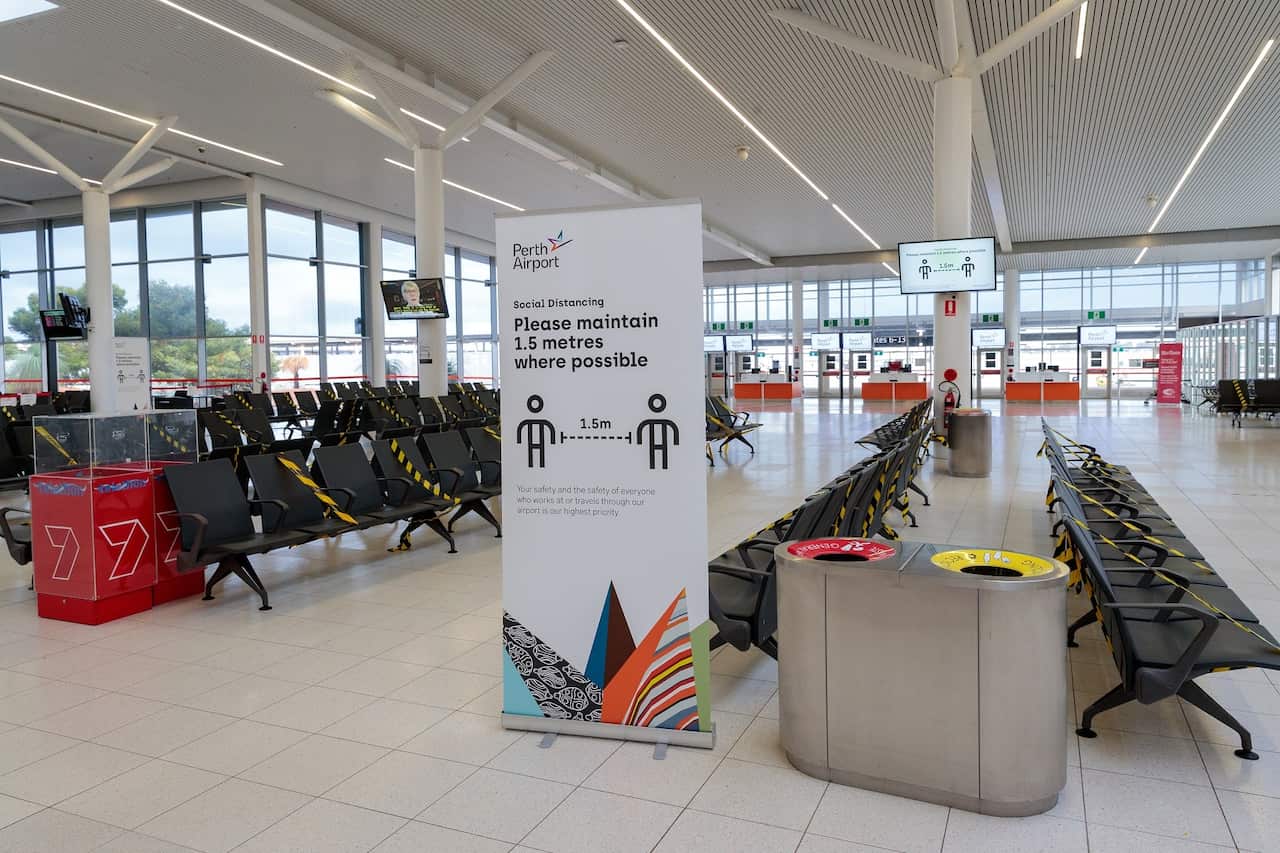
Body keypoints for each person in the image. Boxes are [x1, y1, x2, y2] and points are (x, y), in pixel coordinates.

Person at [636, 394, 679, 470]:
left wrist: (675, 440)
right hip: (653, 442)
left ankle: (660, 467)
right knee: (656, 460)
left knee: (661, 459)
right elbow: (642, 428)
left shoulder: (666, 421)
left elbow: (674, 429)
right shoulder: (664, 421)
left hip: (661, 443)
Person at [516, 395, 556, 468]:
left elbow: (550, 428)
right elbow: (521, 428)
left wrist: (552, 439)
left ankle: (536, 466)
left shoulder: (529, 421)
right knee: (533, 457)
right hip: (532, 442)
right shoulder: (527, 421)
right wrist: (519, 439)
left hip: (539, 442)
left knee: (538, 457)